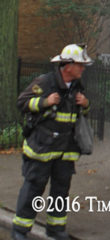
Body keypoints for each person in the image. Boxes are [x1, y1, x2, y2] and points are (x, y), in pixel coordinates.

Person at [12, 44, 93, 240]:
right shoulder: (45, 83)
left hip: (65, 152)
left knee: (61, 190)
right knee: (33, 188)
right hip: (42, 149)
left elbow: (78, 115)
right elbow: (22, 102)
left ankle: (55, 228)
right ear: (67, 66)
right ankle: (20, 230)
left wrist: (85, 105)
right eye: (80, 65)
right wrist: (44, 102)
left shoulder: (77, 87)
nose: (83, 69)